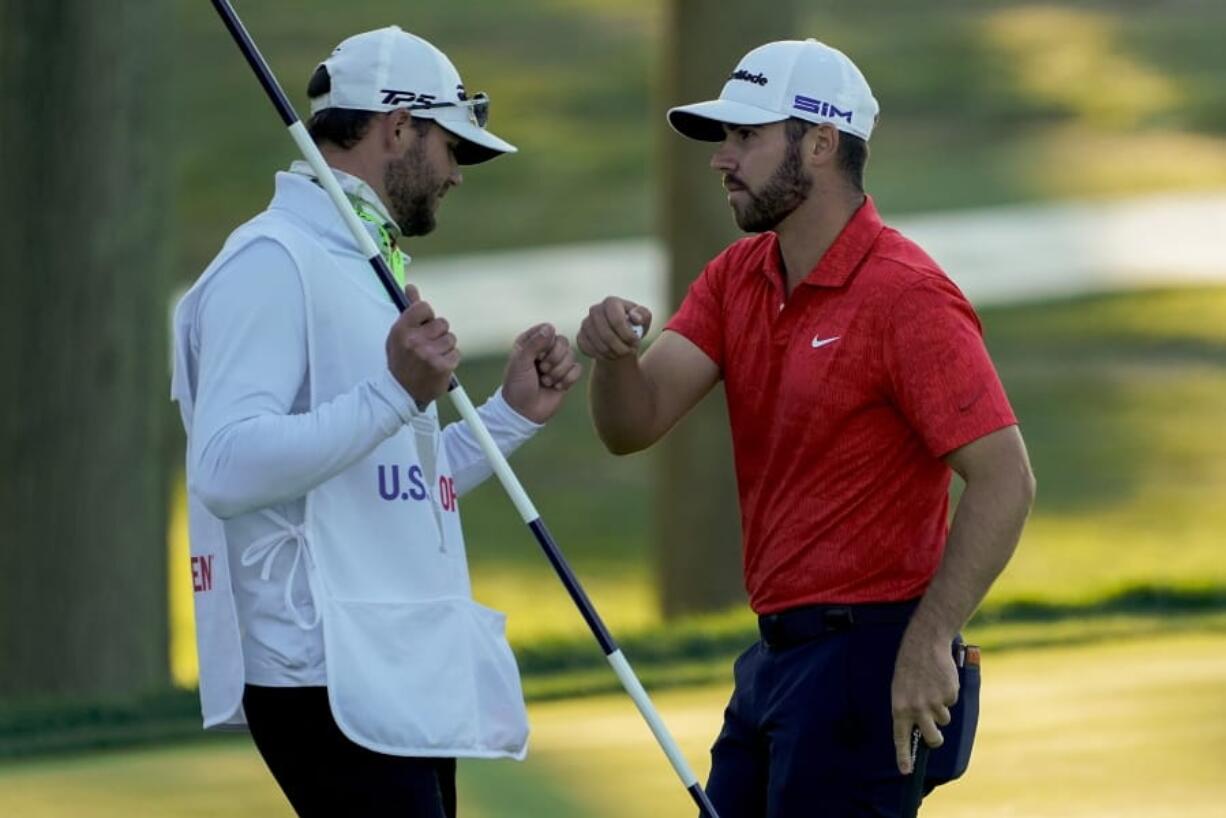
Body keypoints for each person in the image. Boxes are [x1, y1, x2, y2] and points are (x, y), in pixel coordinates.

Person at [578, 39, 1036, 817]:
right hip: (773, 661)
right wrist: (614, 356)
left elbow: (1005, 478)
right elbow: (634, 423)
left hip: (869, 661)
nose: (723, 159)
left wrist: (931, 642)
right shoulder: (737, 277)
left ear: (820, 143)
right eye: (725, 139)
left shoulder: (907, 296)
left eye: (746, 136)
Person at [171, 27, 582, 818]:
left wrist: (508, 418)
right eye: (451, 146)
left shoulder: (365, 266)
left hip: (396, 666)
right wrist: (395, 394)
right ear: (398, 128)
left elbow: (391, 481)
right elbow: (222, 467)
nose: (459, 173)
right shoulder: (271, 260)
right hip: (320, 673)